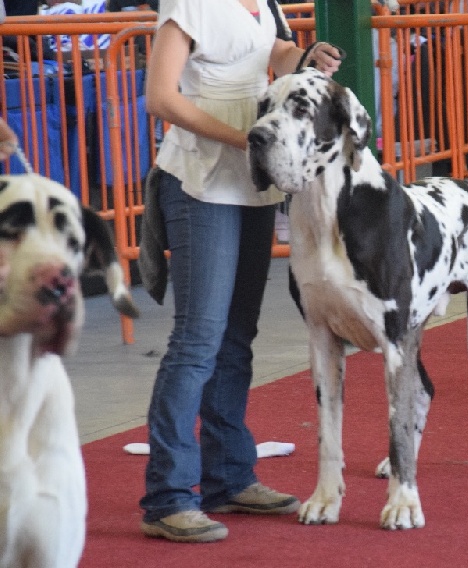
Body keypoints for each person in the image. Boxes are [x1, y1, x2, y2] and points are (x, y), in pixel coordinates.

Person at [139, 0, 341, 544]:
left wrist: (304, 54)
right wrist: (243, 138)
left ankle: (228, 477)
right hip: (201, 180)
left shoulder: (261, 1)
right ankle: (168, 497)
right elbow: (160, 97)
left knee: (235, 337)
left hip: (250, 181)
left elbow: (268, 50)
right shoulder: (189, 3)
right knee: (198, 340)